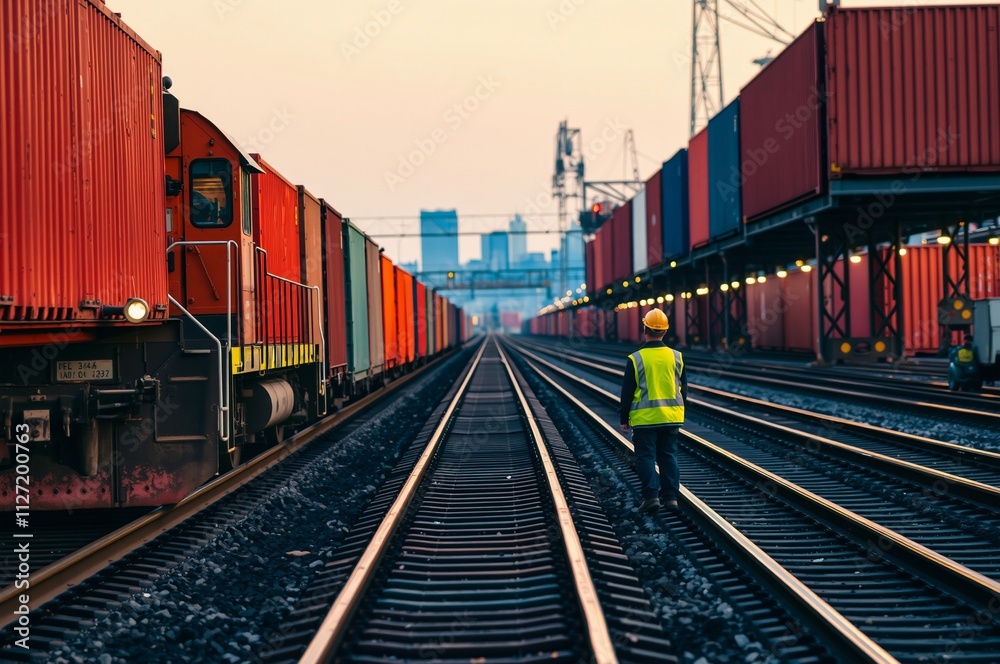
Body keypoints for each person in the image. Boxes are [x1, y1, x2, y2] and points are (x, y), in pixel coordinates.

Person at [619, 308, 687, 514]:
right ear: (664, 332)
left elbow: (627, 391)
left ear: (644, 329)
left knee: (646, 457)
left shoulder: (636, 358)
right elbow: (684, 388)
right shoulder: (676, 356)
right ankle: (671, 498)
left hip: (645, 419)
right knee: (668, 456)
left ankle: (651, 497)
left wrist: (624, 417)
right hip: (671, 416)